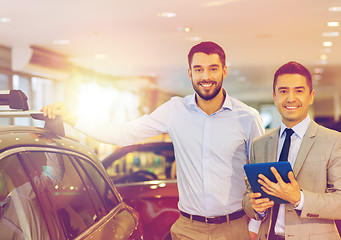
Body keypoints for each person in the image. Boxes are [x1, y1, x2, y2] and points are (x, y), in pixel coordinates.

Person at [42, 41, 265, 239]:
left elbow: (260, 177)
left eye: (213, 69)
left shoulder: (247, 118)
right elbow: (124, 133)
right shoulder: (175, 111)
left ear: (224, 70)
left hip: (234, 228)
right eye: (199, 69)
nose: (205, 77)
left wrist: (255, 225)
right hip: (188, 228)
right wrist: (72, 118)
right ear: (190, 73)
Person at [242, 61, 341, 240]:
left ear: (311, 96)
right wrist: (256, 206)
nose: (290, 98)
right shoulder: (260, 144)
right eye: (283, 91)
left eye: (299, 91)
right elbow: (249, 196)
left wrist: (299, 198)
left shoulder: (335, 142)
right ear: (275, 97)